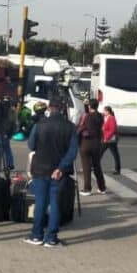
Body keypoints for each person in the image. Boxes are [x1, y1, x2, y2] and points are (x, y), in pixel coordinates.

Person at [23, 98, 78, 248]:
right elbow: (72, 151)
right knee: (55, 204)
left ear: (49, 107)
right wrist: (61, 167)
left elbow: (31, 145)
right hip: (59, 172)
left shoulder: (39, 125)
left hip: (40, 168)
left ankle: (37, 235)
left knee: (40, 202)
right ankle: (52, 238)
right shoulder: (70, 127)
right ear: (62, 108)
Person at [76, 99, 106, 196]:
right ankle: (102, 187)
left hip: (86, 142)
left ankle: (87, 188)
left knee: (86, 167)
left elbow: (83, 126)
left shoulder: (87, 116)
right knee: (97, 166)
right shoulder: (100, 116)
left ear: (89, 106)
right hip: (97, 143)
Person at [0, 97, 16, 170]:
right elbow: (13, 123)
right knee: (7, 150)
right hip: (6, 133)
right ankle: (10, 164)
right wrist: (10, 134)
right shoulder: (11, 111)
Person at [100, 106, 121, 175]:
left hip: (110, 140)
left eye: (104, 111)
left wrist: (106, 138)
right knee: (100, 153)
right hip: (106, 139)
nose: (103, 112)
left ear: (108, 111)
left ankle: (117, 169)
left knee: (115, 154)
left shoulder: (111, 118)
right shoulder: (106, 117)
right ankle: (93, 166)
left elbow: (112, 130)